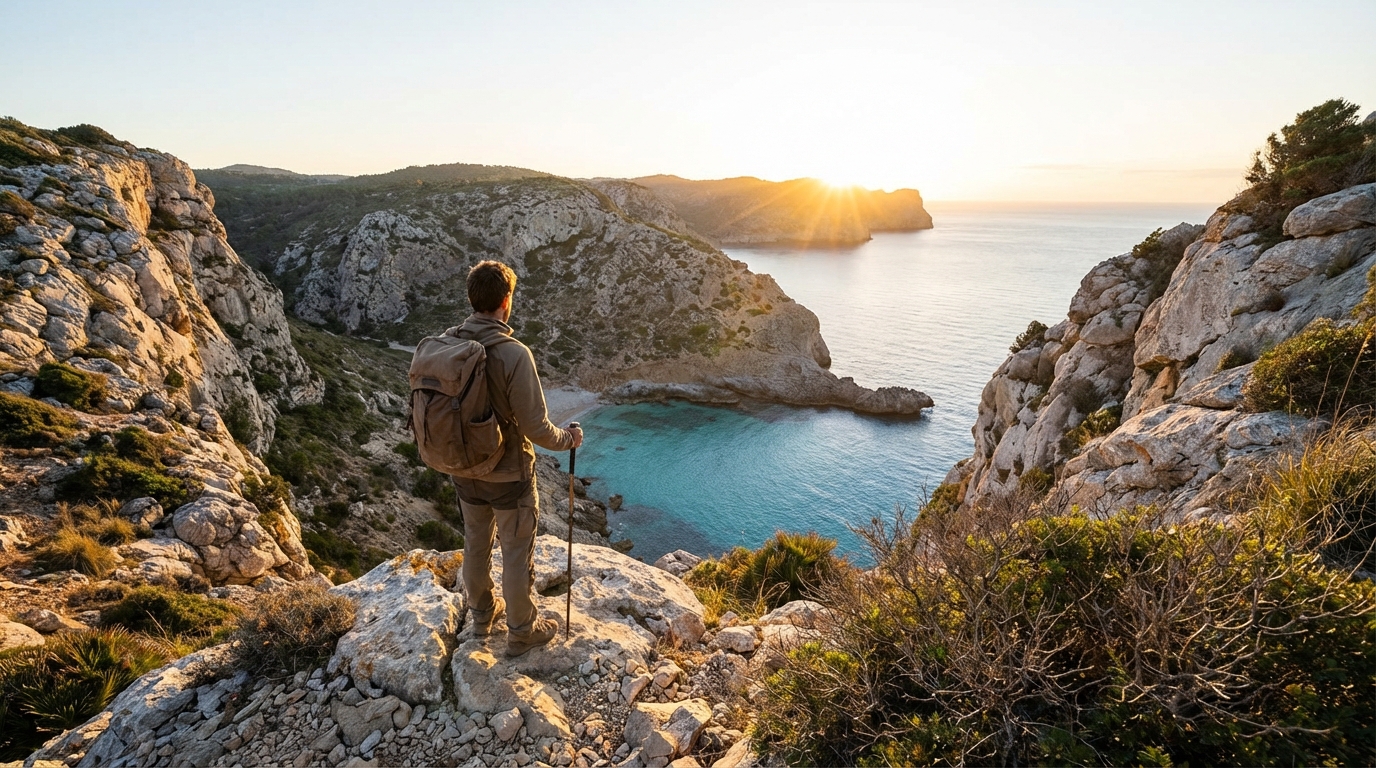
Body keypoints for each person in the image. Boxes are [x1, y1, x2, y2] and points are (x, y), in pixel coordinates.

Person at [446, 260, 583, 656]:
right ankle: (523, 631)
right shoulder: (514, 354)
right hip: (509, 477)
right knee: (516, 553)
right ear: (507, 300)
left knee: (475, 546)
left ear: (472, 298)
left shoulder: (449, 345)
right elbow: (538, 429)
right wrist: (569, 439)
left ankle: (482, 618)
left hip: (464, 472)